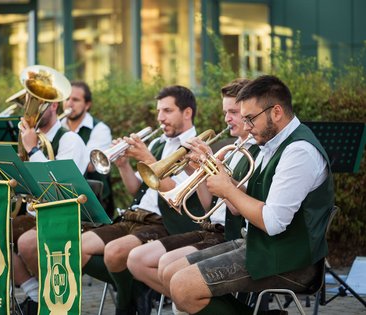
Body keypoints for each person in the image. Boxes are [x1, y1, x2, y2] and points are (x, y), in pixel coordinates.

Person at [162, 75, 334, 315]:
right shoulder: (271, 142)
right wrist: (216, 171)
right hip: (262, 246)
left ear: (276, 112)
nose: (247, 127)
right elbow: (245, 203)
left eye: (250, 119)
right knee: (170, 273)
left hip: (293, 262)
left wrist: (227, 188)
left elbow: (273, 222)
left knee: (183, 287)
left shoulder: (299, 152)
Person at [127, 78, 259, 310]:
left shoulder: (254, 152)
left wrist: (211, 168)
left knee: (173, 270)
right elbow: (209, 205)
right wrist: (200, 170)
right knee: (148, 263)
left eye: (234, 112)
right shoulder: (233, 149)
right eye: (225, 112)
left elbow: (236, 207)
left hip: (229, 233)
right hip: (209, 228)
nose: (227, 118)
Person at [81, 85, 205, 315]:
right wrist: (124, 165)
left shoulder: (194, 148)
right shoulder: (159, 143)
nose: (160, 118)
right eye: (159, 111)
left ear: (187, 113)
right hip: (134, 216)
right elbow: (135, 189)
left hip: (163, 222)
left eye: (167, 111)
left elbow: (177, 198)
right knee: (78, 248)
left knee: (114, 252)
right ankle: (137, 287)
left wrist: (147, 158)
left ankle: (125, 306)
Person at [13, 99, 89, 315]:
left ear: (54, 105)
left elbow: (59, 185)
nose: (30, 110)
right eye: (27, 103)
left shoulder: (70, 139)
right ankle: (35, 294)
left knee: (27, 243)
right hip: (37, 213)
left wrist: (32, 149)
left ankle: (53, 299)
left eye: (38, 103)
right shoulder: (30, 138)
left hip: (67, 215)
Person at [62, 81, 115, 217]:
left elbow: (90, 165)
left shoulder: (100, 129)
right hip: (61, 194)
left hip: (93, 199)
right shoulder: (58, 126)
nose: (69, 104)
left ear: (87, 105)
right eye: (67, 99)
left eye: (75, 99)